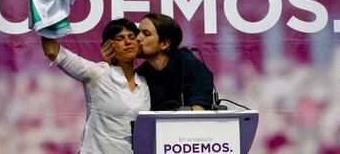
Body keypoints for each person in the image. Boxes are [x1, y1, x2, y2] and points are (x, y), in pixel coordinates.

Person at [41, 18, 150, 154]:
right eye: (120, 38)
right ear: (109, 46)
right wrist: (46, 13)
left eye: (132, 37)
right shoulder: (98, 73)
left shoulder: (144, 82)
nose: (128, 42)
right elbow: (52, 51)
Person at [102, 13, 214, 111]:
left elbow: (198, 110)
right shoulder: (141, 74)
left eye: (146, 34)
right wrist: (110, 64)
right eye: (138, 32)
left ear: (164, 44)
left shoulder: (187, 63)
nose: (137, 38)